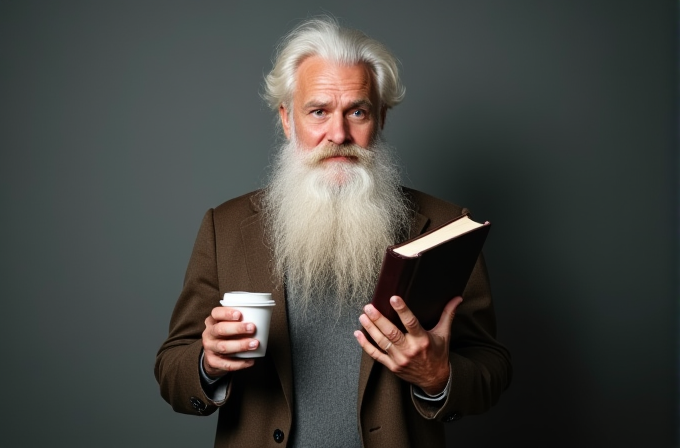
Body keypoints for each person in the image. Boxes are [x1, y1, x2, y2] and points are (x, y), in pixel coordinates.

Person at [155, 17, 511, 448]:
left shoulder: (446, 225)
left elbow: (492, 366)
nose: (338, 134)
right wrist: (207, 365)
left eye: (356, 111)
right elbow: (172, 368)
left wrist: (439, 377)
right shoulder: (225, 227)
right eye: (318, 111)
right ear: (287, 120)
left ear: (380, 118)